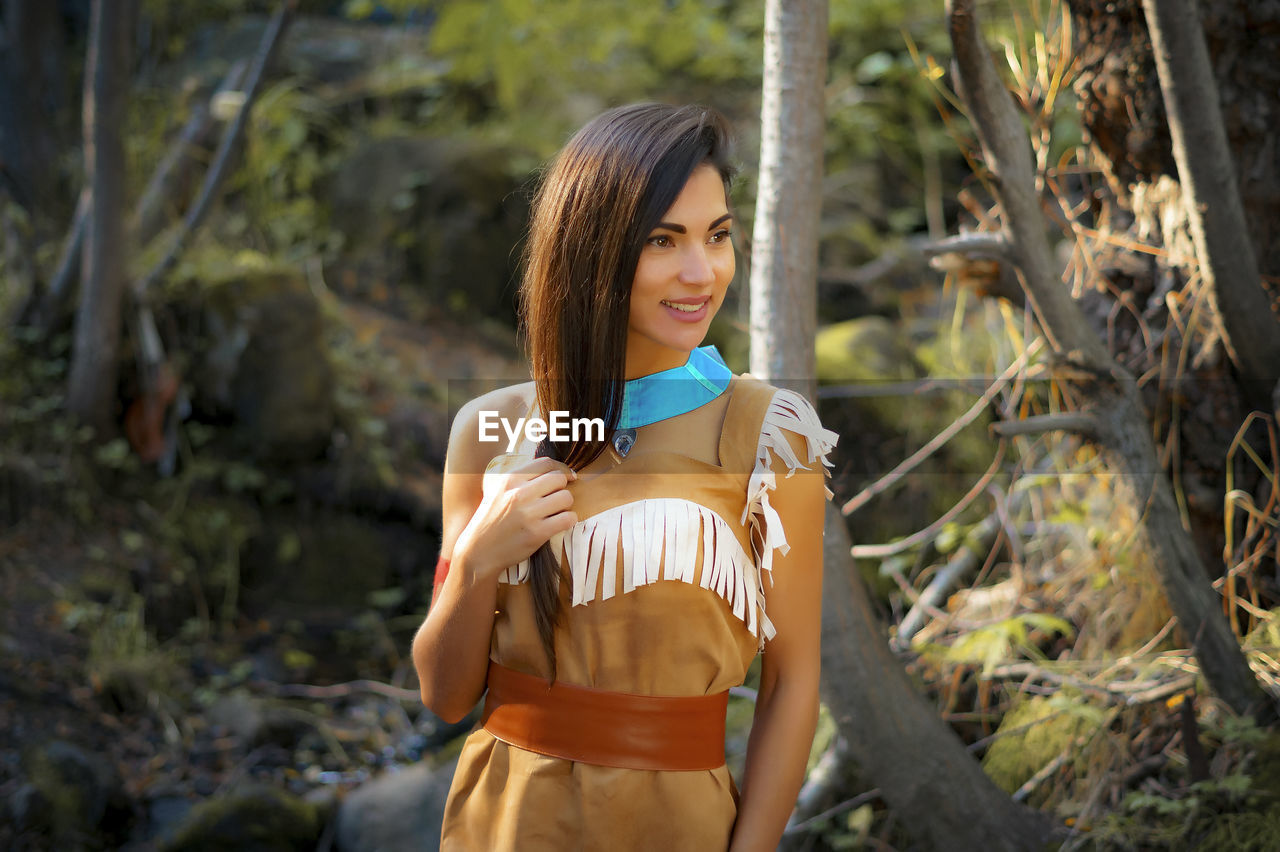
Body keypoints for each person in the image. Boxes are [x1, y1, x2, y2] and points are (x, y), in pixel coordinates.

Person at [411, 102, 837, 851]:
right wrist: (478, 560)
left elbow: (792, 684)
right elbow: (445, 696)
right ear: (593, 251)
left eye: (718, 236)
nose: (701, 272)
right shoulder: (491, 429)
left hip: (677, 825)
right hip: (505, 822)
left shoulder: (769, 436)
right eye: (662, 242)